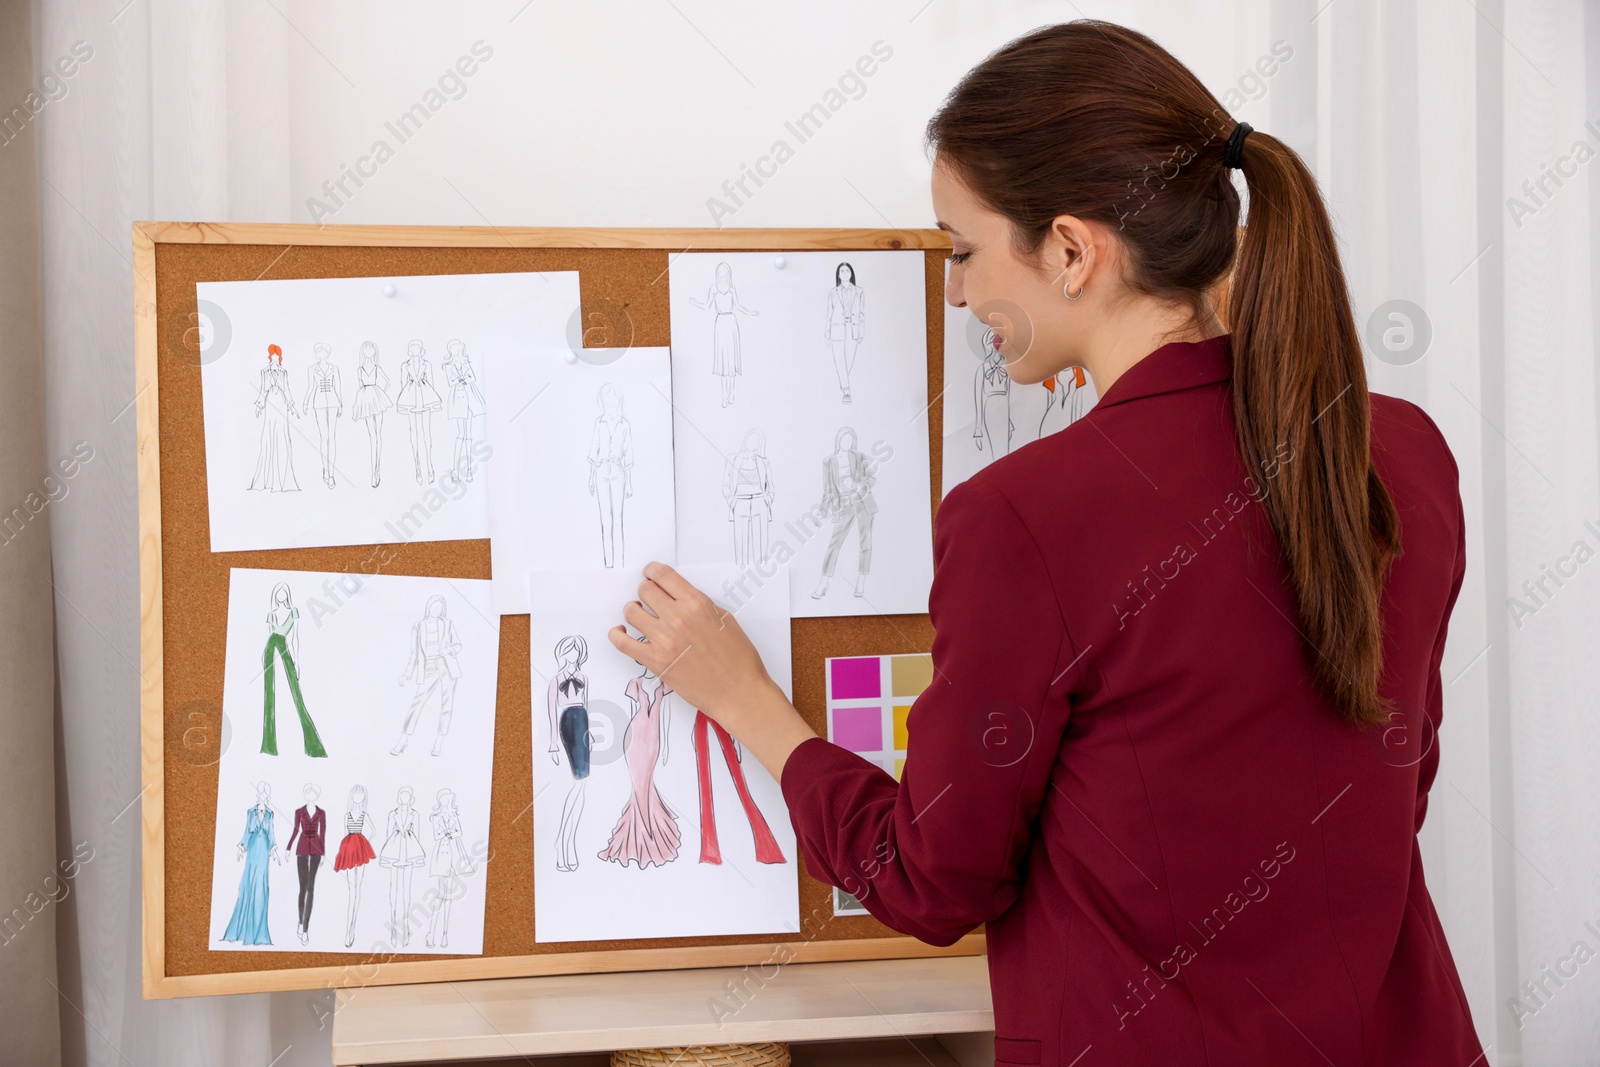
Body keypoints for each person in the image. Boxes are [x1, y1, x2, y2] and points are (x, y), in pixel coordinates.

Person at [608, 21, 1482, 1067]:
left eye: (963, 251)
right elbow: (1391, 783)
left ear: (1072, 251)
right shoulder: (1404, 449)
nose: (955, 294)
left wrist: (746, 699)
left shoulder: (1026, 515)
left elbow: (933, 881)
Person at [391, 594, 462, 756]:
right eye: (434, 606)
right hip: (428, 667)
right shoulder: (418, 626)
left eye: (440, 607)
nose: (437, 610)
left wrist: (447, 650)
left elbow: (458, 645)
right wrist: (407, 675)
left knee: (447, 705)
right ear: (428, 607)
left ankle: (439, 741)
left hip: (447, 666)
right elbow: (414, 654)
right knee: (417, 703)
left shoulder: (448, 624)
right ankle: (404, 739)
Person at [220, 782, 279, 946]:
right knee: (246, 887)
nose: (263, 797)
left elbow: (272, 834)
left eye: (265, 795)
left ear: (268, 797)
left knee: (261, 888)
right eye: (261, 794)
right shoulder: (251, 812)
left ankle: (258, 934)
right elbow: (247, 831)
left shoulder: (270, 814)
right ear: (258, 795)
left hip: (264, 854)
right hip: (252, 851)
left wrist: (274, 850)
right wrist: (241, 847)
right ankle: (240, 931)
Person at [248, 343, 300, 492]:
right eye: (273, 354)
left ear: (280, 356)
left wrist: (292, 406)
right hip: (270, 403)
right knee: (269, 435)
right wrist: (259, 405)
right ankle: (268, 480)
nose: (276, 357)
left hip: (282, 404)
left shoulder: (284, 372)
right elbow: (263, 390)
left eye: (278, 355)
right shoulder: (264, 372)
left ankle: (283, 480)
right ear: (270, 356)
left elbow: (287, 390)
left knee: (283, 436)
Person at [333, 784, 375, 948]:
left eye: (361, 794)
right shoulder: (347, 815)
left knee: (358, 889)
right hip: (349, 848)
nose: (358, 797)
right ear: (352, 796)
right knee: (352, 889)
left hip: (360, 847)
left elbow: (373, 830)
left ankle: (353, 929)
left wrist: (365, 842)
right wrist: (343, 852)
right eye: (356, 794)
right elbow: (345, 833)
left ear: (363, 797)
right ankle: (348, 931)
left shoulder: (364, 814)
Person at [285, 783, 325, 945]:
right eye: (308, 793)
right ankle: (300, 921)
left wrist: (323, 853)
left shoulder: (322, 812)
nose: (310, 796)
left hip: (316, 850)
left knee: (311, 888)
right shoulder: (298, 812)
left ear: (316, 795)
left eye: (313, 793)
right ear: (305, 795)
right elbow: (295, 829)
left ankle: (305, 929)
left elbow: (323, 832)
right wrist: (288, 847)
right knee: (303, 888)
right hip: (301, 849)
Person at [442, 339, 486, 481]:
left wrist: (463, 379)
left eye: (459, 350)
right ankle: (455, 470)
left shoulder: (466, 363)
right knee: (461, 433)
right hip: (458, 399)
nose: (457, 352)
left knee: (469, 434)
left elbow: (473, 377)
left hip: (469, 398)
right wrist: (463, 379)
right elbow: (451, 382)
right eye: (454, 350)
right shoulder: (449, 366)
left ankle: (468, 469)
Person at [350, 340, 392, 487]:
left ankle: (377, 470)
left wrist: (381, 394)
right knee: (372, 436)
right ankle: (373, 472)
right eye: (367, 349)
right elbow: (359, 386)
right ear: (363, 351)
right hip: (365, 400)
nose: (369, 352)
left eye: (371, 349)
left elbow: (387, 382)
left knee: (378, 434)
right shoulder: (359, 370)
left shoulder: (376, 367)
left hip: (376, 397)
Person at [301, 341, 343, 488]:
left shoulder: (334, 368)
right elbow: (311, 387)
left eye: (324, 352)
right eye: (319, 352)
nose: (322, 354)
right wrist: (305, 402)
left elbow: (337, 386)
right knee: (323, 437)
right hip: (318, 402)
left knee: (332, 437)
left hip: (333, 402)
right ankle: (325, 468)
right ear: (316, 354)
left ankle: (331, 474)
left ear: (328, 353)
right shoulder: (312, 369)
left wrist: (341, 404)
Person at [824, 262, 866, 403]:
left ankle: (842, 385)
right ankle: (846, 392)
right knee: (839, 360)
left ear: (851, 273)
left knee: (849, 360)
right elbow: (829, 314)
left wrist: (860, 333)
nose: (844, 273)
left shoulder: (859, 291)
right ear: (838, 274)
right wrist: (827, 334)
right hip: (837, 329)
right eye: (841, 271)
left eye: (847, 270)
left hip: (852, 329)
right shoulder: (833, 292)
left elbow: (861, 314)